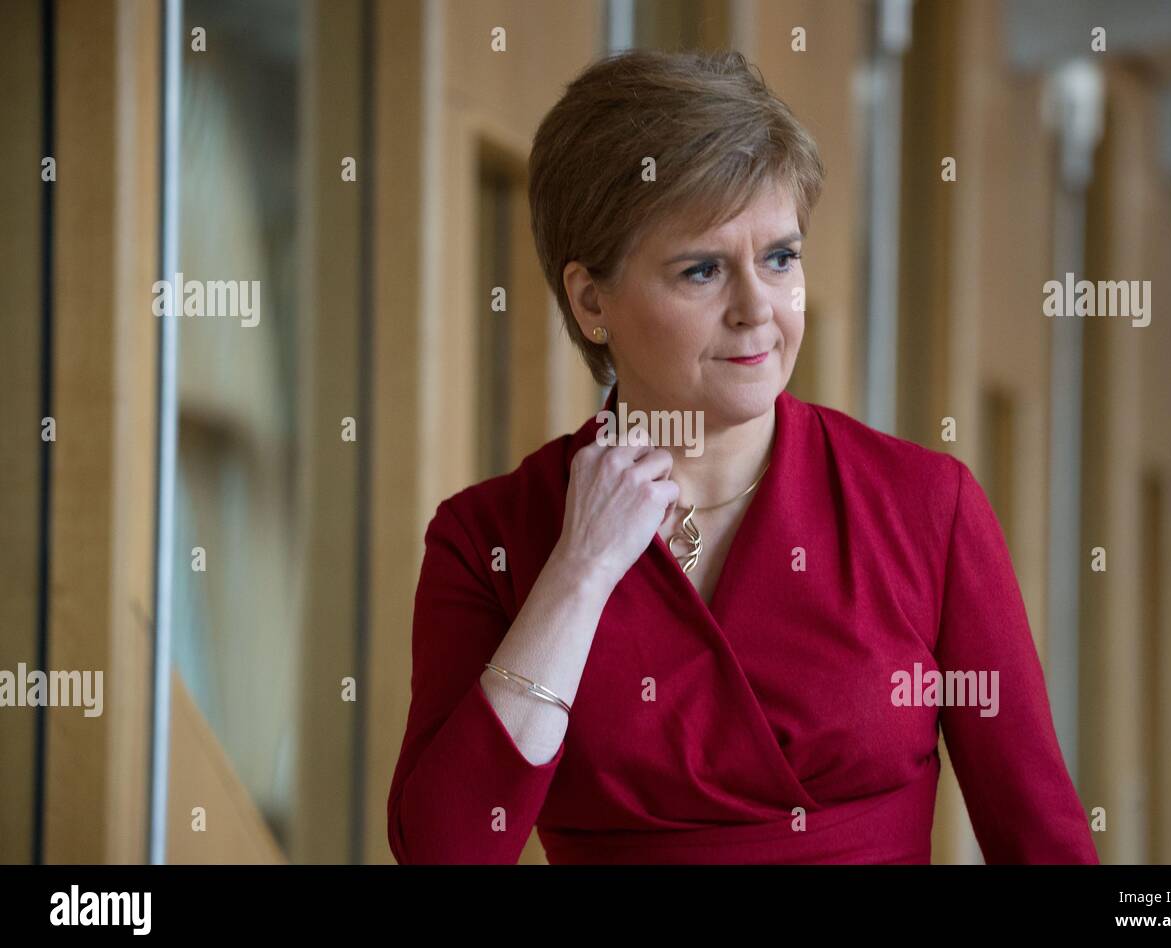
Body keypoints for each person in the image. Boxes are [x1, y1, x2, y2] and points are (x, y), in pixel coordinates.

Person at [386, 48, 1098, 865]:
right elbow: (447, 849)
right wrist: (578, 572)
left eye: (781, 257)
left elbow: (1043, 845)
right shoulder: (491, 539)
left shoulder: (927, 506)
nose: (758, 309)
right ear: (591, 301)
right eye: (702, 270)